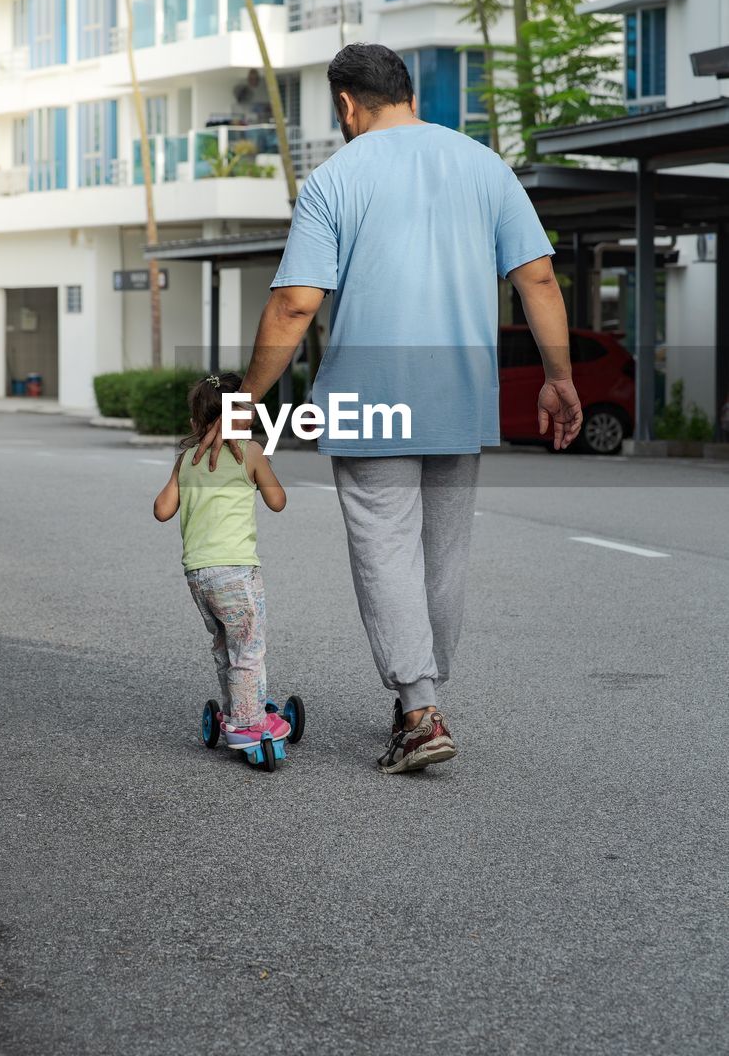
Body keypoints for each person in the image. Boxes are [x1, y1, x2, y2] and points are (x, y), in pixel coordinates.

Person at [195, 44, 583, 775]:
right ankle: (421, 694)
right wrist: (558, 377)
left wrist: (245, 401)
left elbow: (295, 303)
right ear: (406, 92)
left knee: (386, 548)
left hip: (372, 396)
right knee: (443, 556)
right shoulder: (482, 165)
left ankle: (417, 710)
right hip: (461, 389)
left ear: (346, 104)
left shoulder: (336, 177)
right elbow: (536, 275)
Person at [153, 372, 291, 751]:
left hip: (198, 574)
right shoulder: (250, 453)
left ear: (196, 422)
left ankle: (234, 710)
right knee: (248, 647)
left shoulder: (186, 461)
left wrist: (182, 473)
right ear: (243, 416)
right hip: (236, 571)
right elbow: (277, 501)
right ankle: (247, 724)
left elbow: (162, 510)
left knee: (223, 645)